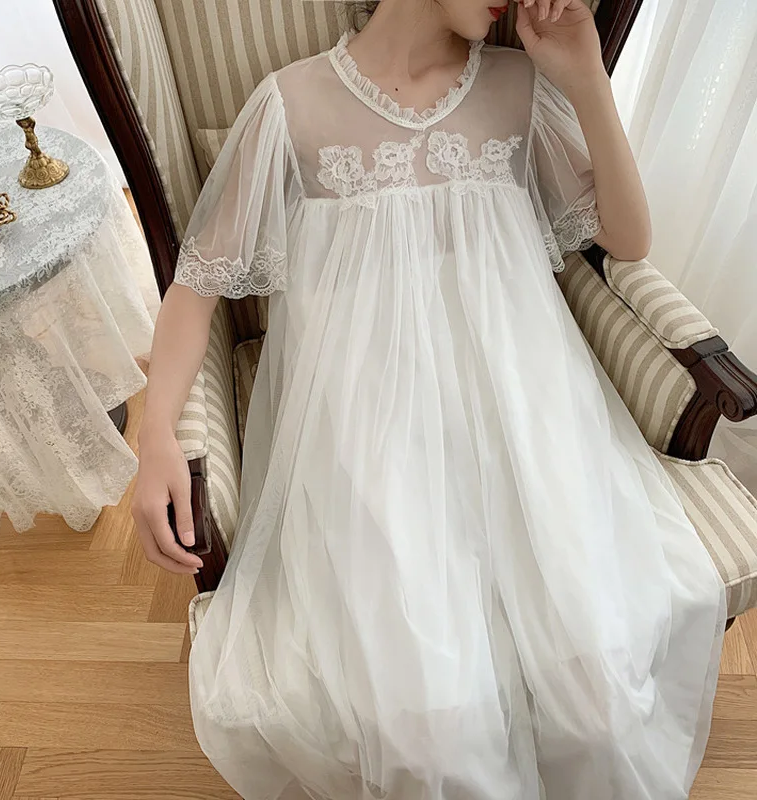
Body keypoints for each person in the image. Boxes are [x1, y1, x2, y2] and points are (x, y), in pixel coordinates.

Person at [132, 0, 726, 797]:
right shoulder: (291, 105)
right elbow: (197, 285)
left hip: (525, 414)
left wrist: (586, 77)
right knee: (428, 735)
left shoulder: (519, 87)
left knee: (600, 705)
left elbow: (629, 238)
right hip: (369, 434)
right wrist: (156, 437)